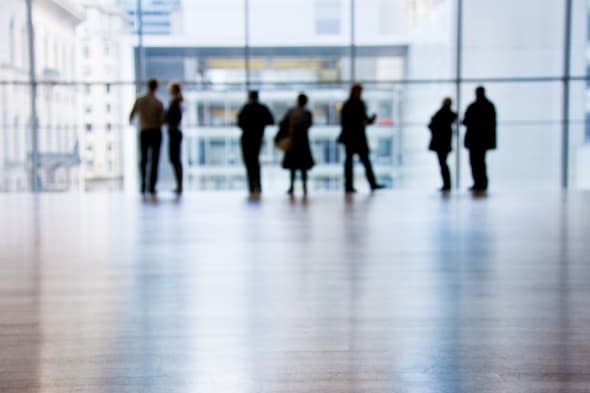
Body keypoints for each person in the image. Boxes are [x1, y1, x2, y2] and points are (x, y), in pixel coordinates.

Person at [338, 83, 385, 193]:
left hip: (355, 137)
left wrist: (369, 120)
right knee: (355, 162)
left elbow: (362, 120)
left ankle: (363, 184)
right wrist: (364, 122)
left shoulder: (354, 104)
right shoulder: (352, 104)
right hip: (353, 137)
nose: (360, 94)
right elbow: (350, 121)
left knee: (360, 161)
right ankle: (353, 185)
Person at [129, 78, 164, 195]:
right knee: (155, 161)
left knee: (143, 160)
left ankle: (143, 184)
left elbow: (131, 117)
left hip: (144, 131)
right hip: (156, 132)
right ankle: (152, 186)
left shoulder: (140, 101)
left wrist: (138, 124)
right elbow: (162, 120)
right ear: (156, 88)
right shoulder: (159, 103)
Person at [237, 90, 274, 196]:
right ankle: (257, 185)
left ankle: (251, 186)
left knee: (249, 163)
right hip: (257, 138)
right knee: (255, 161)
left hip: (247, 139)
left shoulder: (246, 108)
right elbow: (271, 121)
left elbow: (239, 123)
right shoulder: (262, 108)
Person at [462, 86, 497, 192]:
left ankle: (478, 183)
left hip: (474, 140)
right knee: (481, 162)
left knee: (475, 162)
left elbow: (466, 121)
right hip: (484, 141)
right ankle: (482, 183)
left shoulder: (473, 106)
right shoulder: (490, 106)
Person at [280, 93, 314, 196]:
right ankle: (303, 187)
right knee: (301, 166)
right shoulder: (307, 113)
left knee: (294, 166)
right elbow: (309, 125)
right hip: (302, 141)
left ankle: (293, 187)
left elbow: (283, 123)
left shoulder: (292, 112)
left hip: (295, 141)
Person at [428, 97, 457, 191]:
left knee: (443, 163)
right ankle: (447, 184)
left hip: (440, 142)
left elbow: (432, 125)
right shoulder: (450, 114)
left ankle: (446, 184)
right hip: (445, 142)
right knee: (443, 163)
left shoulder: (440, 114)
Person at [165, 82, 184, 195]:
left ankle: (179, 186)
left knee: (175, 160)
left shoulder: (175, 103)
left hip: (174, 132)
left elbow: (169, 118)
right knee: (175, 160)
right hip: (175, 132)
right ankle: (179, 185)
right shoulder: (177, 102)